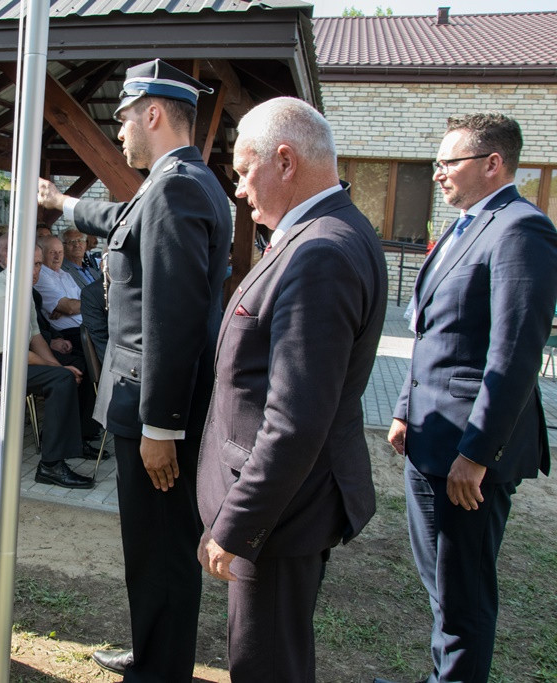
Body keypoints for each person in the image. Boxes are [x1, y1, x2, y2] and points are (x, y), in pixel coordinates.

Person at [38, 59, 231, 681]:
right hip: (144, 403)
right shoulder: (178, 182)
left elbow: (171, 322)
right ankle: (153, 652)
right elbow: (123, 222)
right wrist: (64, 204)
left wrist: (161, 426)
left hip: (153, 408)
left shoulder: (176, 186)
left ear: (152, 113)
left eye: (122, 119)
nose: (118, 132)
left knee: (162, 548)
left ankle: (161, 667)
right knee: (150, 547)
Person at [195, 97, 387, 682]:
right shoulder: (322, 231)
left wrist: (238, 524)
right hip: (286, 500)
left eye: (243, 170)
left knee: (267, 664)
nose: (239, 190)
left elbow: (295, 417)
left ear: (284, 161)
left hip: (281, 511)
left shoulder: (320, 250)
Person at [380, 113, 557, 683]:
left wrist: (477, 454)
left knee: (464, 599)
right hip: (431, 439)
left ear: (492, 163)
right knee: (443, 590)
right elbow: (434, 332)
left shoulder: (520, 230)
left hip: (466, 456)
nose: (436, 175)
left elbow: (513, 357)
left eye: (447, 163)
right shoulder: (466, 225)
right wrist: (406, 407)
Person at [0, 233, 94, 489]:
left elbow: (35, 337)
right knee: (62, 378)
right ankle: (51, 465)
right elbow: (14, 352)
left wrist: (59, 366)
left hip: (1, 358)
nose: (35, 270)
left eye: (38, 264)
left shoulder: (22, 290)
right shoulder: (0, 292)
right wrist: (59, 369)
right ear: (14, 262)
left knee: (70, 370)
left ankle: (69, 446)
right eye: (30, 264)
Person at [35, 235, 84, 346]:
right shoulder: (40, 275)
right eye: (52, 253)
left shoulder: (65, 275)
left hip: (84, 329)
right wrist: (68, 306)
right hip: (69, 335)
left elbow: (81, 301)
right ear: (41, 255)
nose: (57, 257)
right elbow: (69, 308)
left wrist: (71, 306)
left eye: (60, 252)